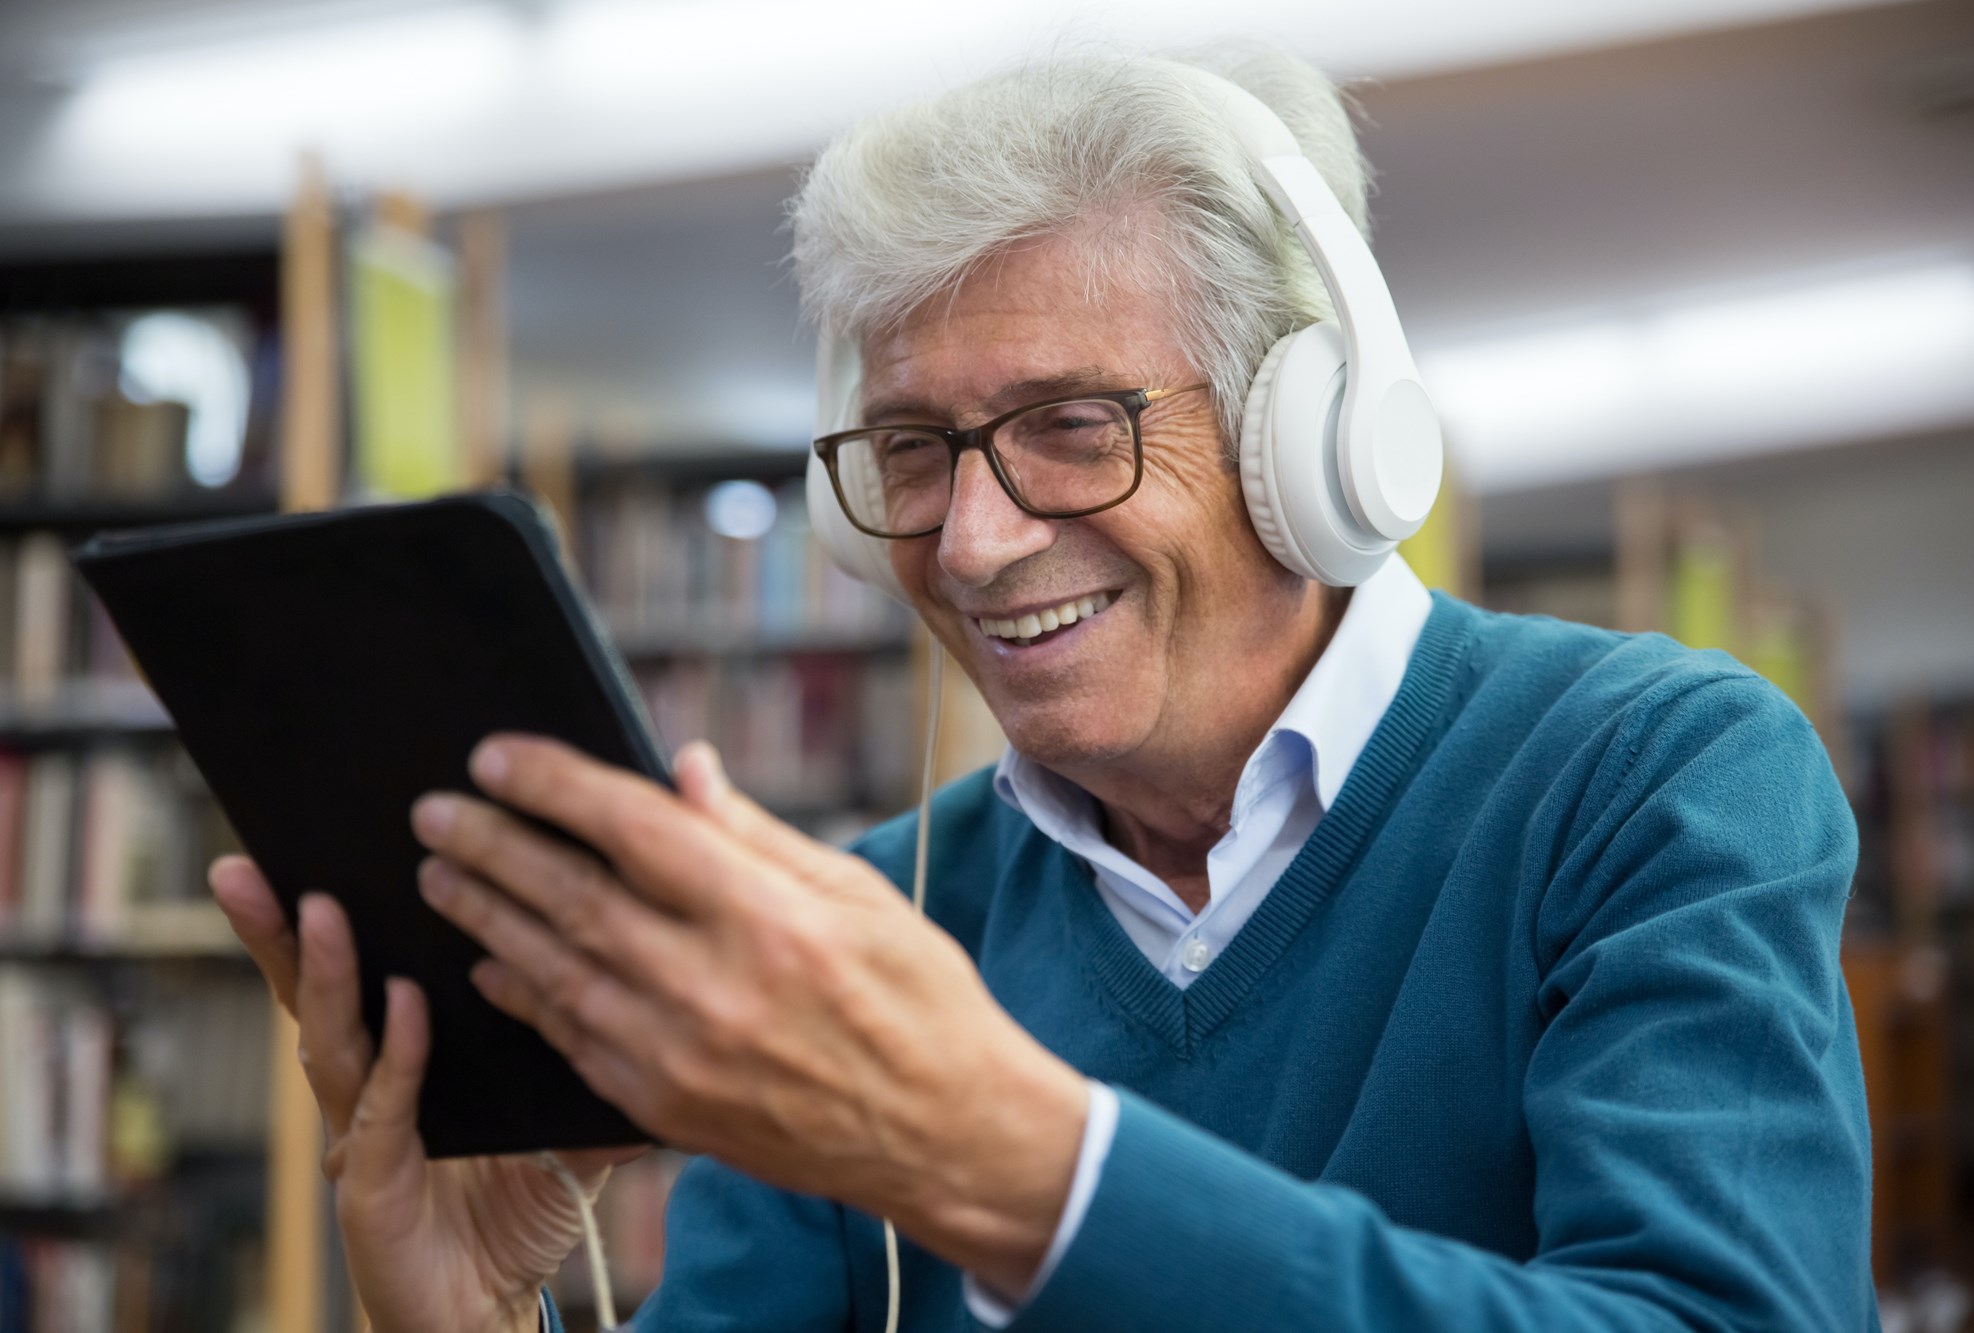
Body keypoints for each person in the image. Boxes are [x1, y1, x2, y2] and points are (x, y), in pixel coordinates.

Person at [210, 47, 1877, 1333]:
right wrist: (488, 1312)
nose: (978, 540)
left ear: (1315, 436)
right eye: (917, 451)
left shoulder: (1655, 776)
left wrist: (1007, 1155)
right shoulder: (873, 919)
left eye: (1076, 425)